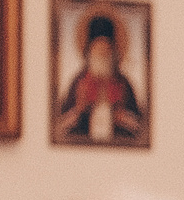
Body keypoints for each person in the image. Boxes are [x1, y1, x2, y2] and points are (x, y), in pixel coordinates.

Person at [55, 14, 144, 145]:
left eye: (106, 50)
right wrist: (79, 110)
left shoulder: (123, 83)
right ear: (89, 51)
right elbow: (59, 128)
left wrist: (122, 117)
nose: (102, 53)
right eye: (98, 49)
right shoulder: (79, 82)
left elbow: (141, 130)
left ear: (114, 52)